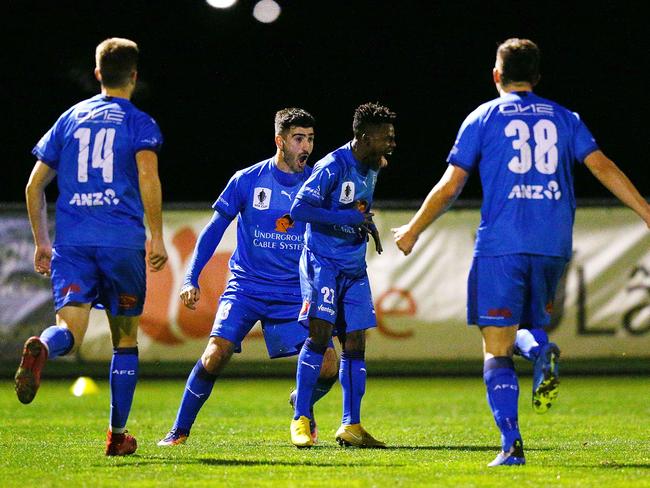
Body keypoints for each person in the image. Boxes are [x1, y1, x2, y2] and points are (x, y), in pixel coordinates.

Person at [392, 38, 650, 466]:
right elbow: (601, 164)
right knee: (527, 324)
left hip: (501, 244)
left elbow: (452, 185)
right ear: (537, 77)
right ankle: (537, 349)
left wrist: (414, 229)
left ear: (497, 75)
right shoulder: (566, 118)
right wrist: (644, 210)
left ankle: (512, 444)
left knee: (496, 346)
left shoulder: (483, 117)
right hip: (553, 244)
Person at [15, 38, 168, 456]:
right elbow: (148, 178)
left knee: (70, 332)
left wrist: (42, 242)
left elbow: (34, 185)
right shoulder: (139, 122)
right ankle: (117, 436)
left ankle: (43, 347)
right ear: (134, 75)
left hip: (74, 243)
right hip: (120, 243)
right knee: (124, 340)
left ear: (98, 73)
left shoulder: (69, 119)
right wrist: (155, 233)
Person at [158, 108, 339, 447]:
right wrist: (190, 278)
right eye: (299, 139)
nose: (306, 147)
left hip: (294, 292)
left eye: (311, 139)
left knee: (330, 366)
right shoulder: (247, 180)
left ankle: (302, 404)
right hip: (246, 287)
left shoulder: (317, 185)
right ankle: (178, 431)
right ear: (280, 141)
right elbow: (213, 232)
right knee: (215, 353)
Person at [289, 102, 395, 448]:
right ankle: (301, 418)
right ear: (365, 137)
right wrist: (351, 219)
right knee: (319, 338)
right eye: (385, 138)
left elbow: (358, 207)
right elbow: (299, 209)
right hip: (323, 263)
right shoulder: (333, 165)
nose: (391, 144)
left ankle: (351, 425)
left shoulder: (375, 163)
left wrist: (367, 225)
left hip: (353, 265)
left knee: (356, 343)